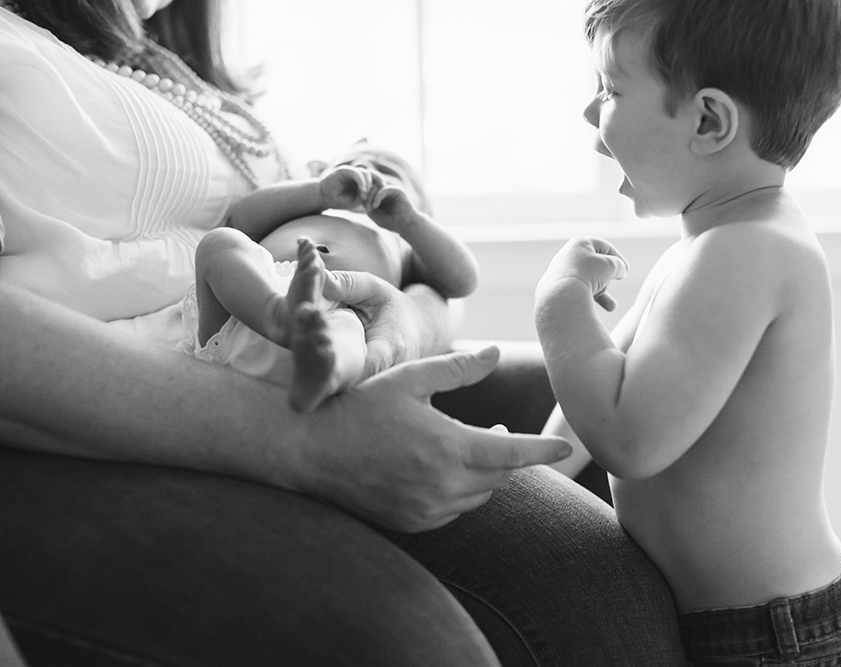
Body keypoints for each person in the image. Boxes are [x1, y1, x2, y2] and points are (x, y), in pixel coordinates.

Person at [0, 0, 688, 665]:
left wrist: (410, 320)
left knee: (613, 430)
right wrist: (302, 441)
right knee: (417, 639)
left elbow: (447, 282)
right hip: (125, 383)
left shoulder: (160, 53)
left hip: (312, 326)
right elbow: (237, 229)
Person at [534, 0, 841, 665]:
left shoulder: (747, 253)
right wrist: (526, 462)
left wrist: (557, 301)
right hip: (761, 628)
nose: (592, 115)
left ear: (708, 120)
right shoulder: (709, 248)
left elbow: (630, 437)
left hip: (784, 639)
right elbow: (602, 386)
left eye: (610, 88)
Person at [185, 143, 478, 411]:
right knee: (220, 243)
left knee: (349, 331)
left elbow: (462, 280)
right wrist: (319, 193)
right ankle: (278, 316)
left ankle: (327, 371)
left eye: (388, 172)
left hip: (332, 313)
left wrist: (410, 222)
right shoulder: (308, 207)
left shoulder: (404, 244)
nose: (367, 171)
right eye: (351, 163)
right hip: (250, 302)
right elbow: (244, 218)